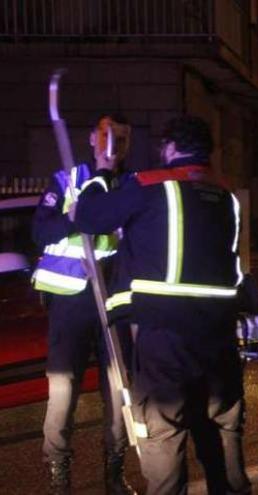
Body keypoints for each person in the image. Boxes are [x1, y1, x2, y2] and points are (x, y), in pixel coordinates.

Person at [73, 115, 251, 494]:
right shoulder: (225, 196)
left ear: (170, 147)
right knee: (222, 428)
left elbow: (89, 216)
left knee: (164, 432)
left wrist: (103, 171)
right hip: (219, 334)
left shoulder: (149, 185)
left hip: (166, 336)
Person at [32, 114, 136, 495]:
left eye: (122, 139)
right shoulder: (67, 181)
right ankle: (59, 476)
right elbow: (40, 231)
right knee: (63, 389)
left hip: (114, 301)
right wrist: (78, 217)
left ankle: (114, 473)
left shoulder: (133, 185)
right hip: (71, 303)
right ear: (93, 138)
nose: (114, 146)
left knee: (117, 390)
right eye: (108, 137)